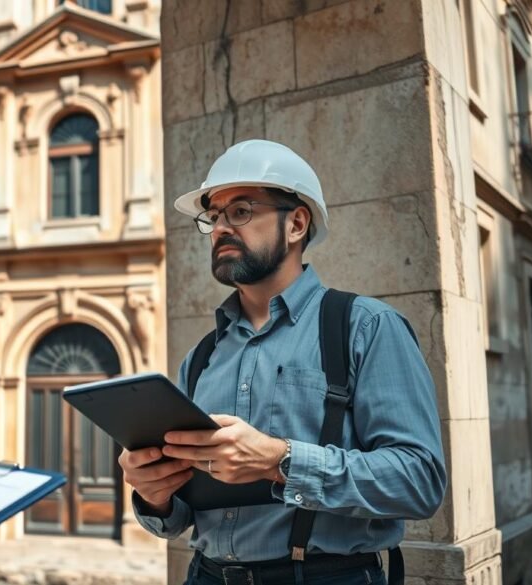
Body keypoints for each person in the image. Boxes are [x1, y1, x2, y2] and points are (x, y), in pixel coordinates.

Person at [118, 140, 447, 585]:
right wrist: (154, 495)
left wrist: (280, 460)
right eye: (213, 216)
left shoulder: (366, 328)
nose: (219, 229)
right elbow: (180, 517)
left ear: (296, 224)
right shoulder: (200, 359)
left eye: (240, 211)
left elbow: (419, 481)